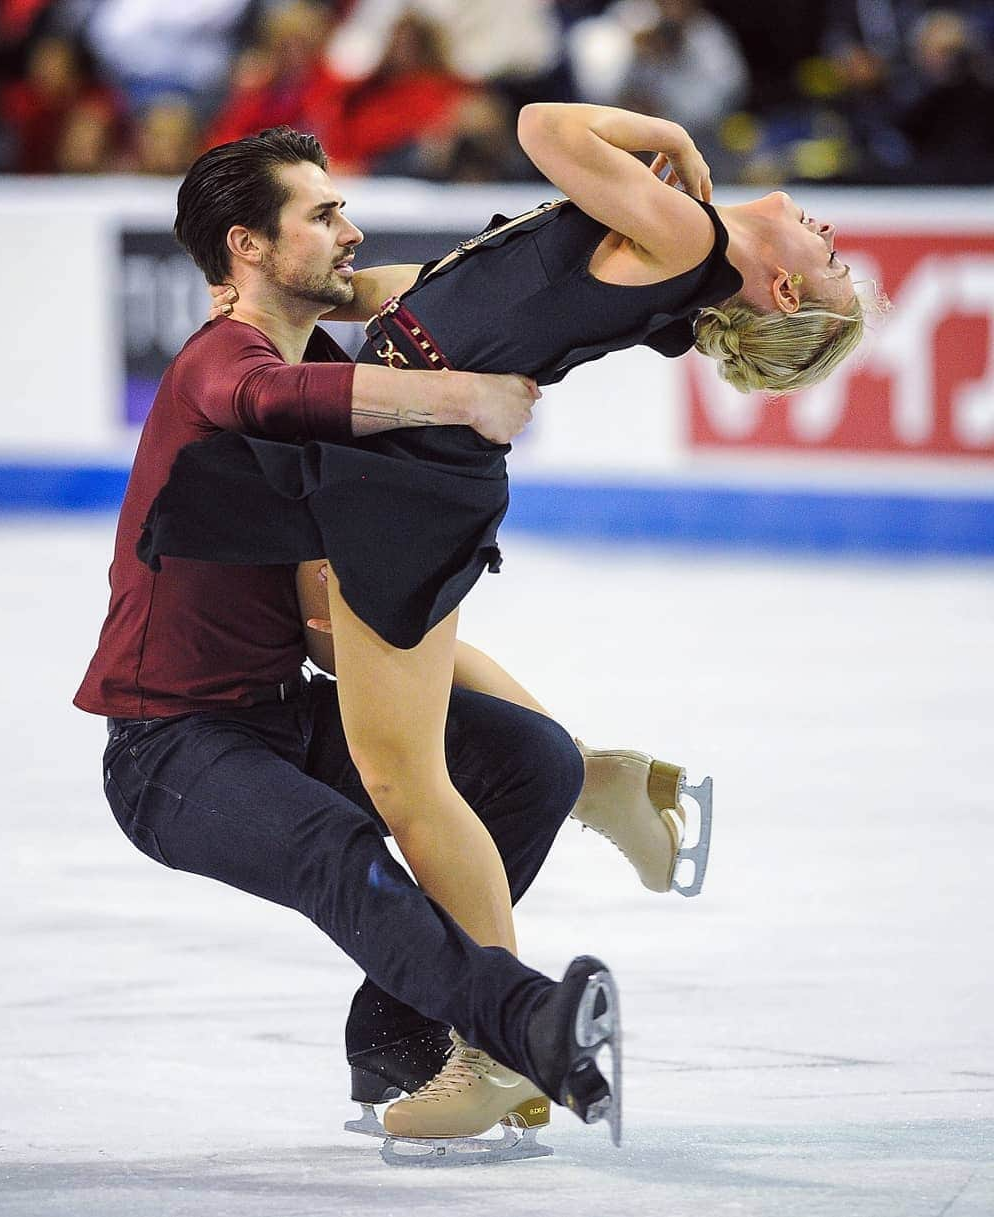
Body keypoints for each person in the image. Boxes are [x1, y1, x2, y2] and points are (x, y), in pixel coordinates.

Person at [140, 100, 867, 1145]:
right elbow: (461, 287)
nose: (834, 238)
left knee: (403, 773)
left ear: (785, 287)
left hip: (413, 467)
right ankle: (601, 776)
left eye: (835, 264)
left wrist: (670, 136)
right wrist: (344, 290)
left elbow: (540, 125)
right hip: (406, 459)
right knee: (328, 634)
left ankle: (498, 1053)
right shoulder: (676, 240)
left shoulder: (688, 232)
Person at [74, 125, 627, 1169]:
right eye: (321, 214)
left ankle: (395, 1038)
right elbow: (265, 399)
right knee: (339, 843)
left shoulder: (313, 356)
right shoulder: (218, 361)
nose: (349, 227)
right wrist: (459, 396)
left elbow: (440, 299)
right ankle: (525, 1022)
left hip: (276, 715)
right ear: (246, 245)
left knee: (528, 764)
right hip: (169, 749)